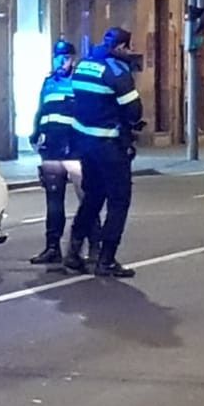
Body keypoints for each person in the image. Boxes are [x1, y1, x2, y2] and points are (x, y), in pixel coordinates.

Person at [66, 28, 144, 278]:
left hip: (84, 144)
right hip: (109, 146)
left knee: (92, 198)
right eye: (128, 48)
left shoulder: (84, 65)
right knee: (118, 201)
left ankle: (73, 253)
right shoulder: (117, 72)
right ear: (120, 47)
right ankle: (106, 259)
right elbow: (134, 112)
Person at [28, 39, 82, 266]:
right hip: (51, 148)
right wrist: (36, 134)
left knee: (86, 199)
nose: (62, 62)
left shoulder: (79, 82)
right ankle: (52, 247)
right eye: (58, 57)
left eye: (66, 57)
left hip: (74, 149)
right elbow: (41, 110)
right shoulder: (49, 82)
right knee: (53, 201)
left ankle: (93, 246)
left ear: (73, 59)